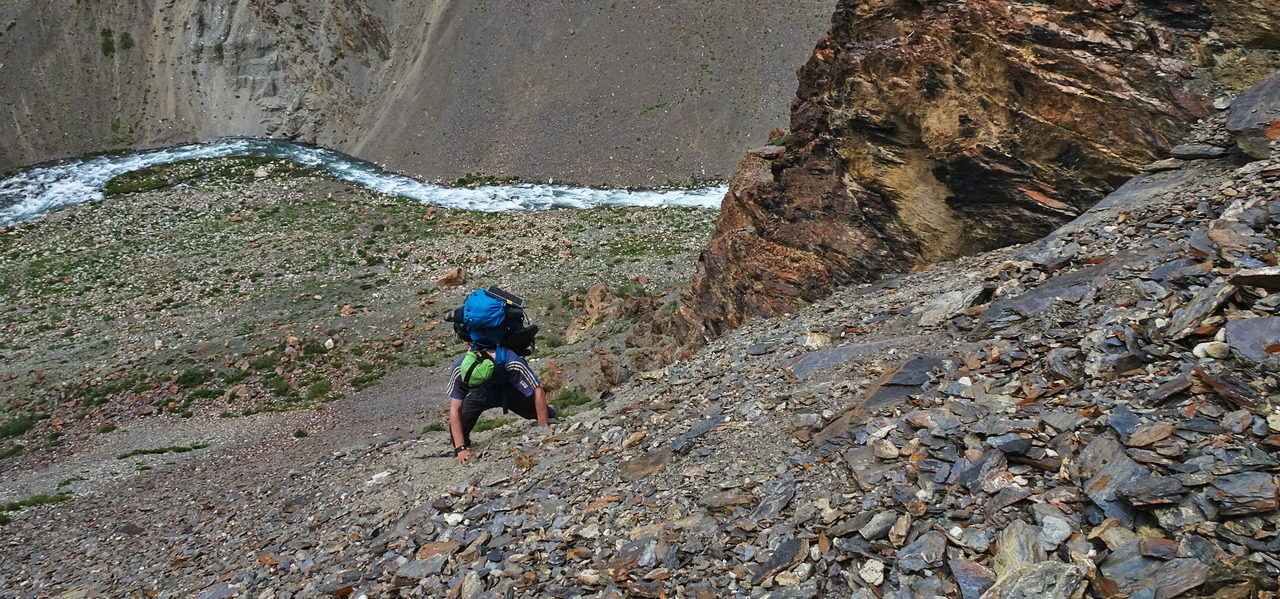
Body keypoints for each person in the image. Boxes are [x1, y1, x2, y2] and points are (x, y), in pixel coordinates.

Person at [446, 348, 555, 464]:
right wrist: (460, 449)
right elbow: (455, 409)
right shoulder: (460, 369)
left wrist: (543, 427)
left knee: (538, 413)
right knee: (458, 430)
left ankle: (551, 412)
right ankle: (464, 445)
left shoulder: (512, 362)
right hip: (480, 392)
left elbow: (537, 390)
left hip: (509, 389)